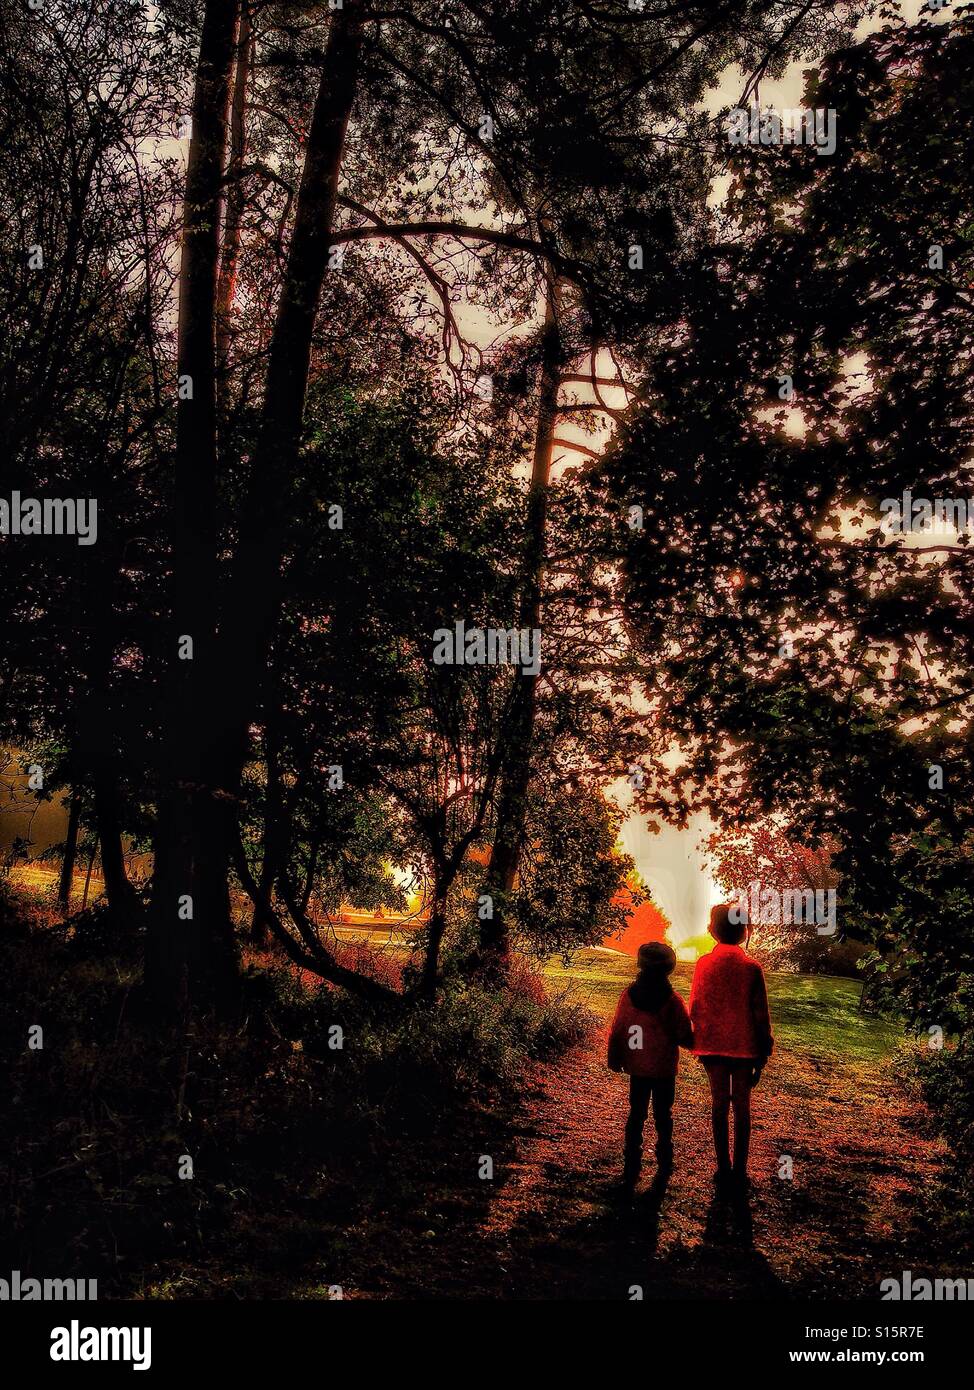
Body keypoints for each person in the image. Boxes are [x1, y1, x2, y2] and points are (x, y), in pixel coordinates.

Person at [689, 903, 774, 1197]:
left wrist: (697, 1040)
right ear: (744, 931)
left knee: (718, 1106)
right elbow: (760, 1014)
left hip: (712, 1047)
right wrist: (763, 1052)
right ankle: (740, 1170)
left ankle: (722, 1167)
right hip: (743, 1047)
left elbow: (696, 1007)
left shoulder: (703, 964)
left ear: (712, 930)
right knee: (741, 1107)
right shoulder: (752, 968)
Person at [607, 941, 693, 1197]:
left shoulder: (628, 995)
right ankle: (665, 1158)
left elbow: (618, 1028)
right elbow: (684, 1036)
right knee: (663, 1115)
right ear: (670, 968)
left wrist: (615, 1058)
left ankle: (632, 1159)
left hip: (637, 1068)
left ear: (640, 965)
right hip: (664, 1069)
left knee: (636, 1114)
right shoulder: (672, 1001)